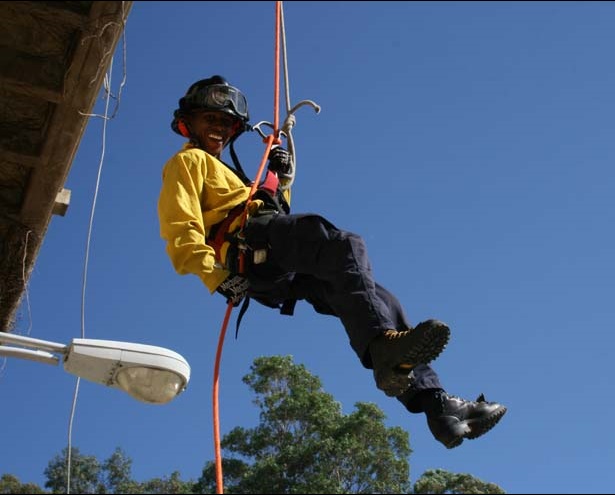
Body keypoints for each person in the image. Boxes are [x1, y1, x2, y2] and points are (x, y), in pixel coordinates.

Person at [157, 75, 507, 448]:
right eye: (210, 120)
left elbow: (276, 211)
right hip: (250, 247)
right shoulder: (188, 161)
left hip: (272, 259)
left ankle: (438, 408)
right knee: (342, 246)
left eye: (226, 123)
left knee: (374, 297)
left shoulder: (235, 176)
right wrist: (214, 277)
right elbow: (180, 227)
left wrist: (281, 179)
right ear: (189, 123)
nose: (219, 129)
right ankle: (384, 347)